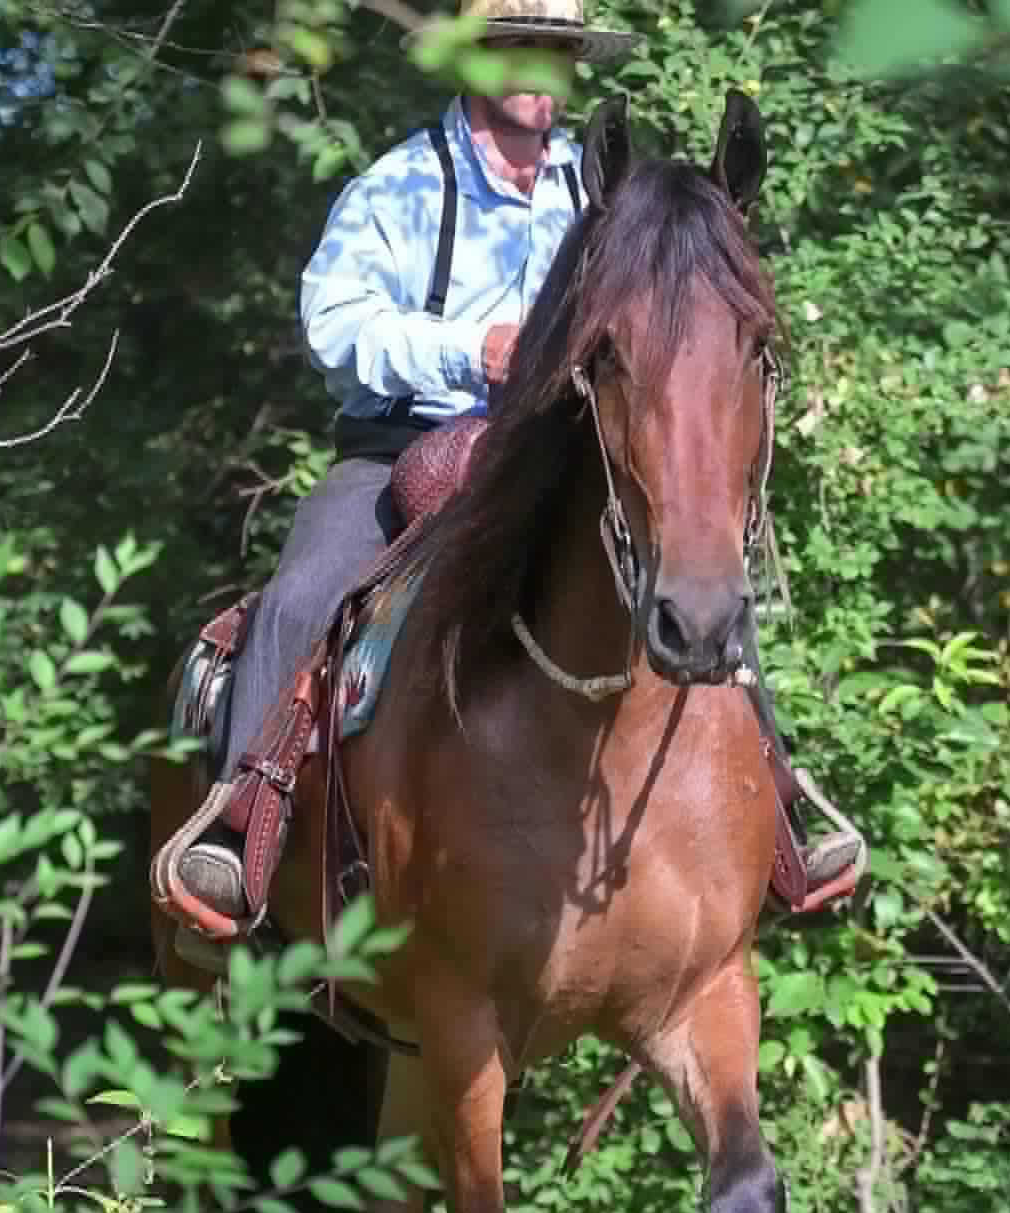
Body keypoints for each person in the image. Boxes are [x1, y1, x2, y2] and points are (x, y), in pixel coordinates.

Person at [175, 0, 865, 927]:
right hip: (402, 448)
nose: (543, 70)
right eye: (518, 48)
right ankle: (238, 825)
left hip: (559, 458)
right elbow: (333, 326)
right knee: (305, 592)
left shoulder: (608, 197)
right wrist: (469, 350)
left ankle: (777, 807)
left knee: (695, 563)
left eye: (559, 50)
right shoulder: (398, 187)